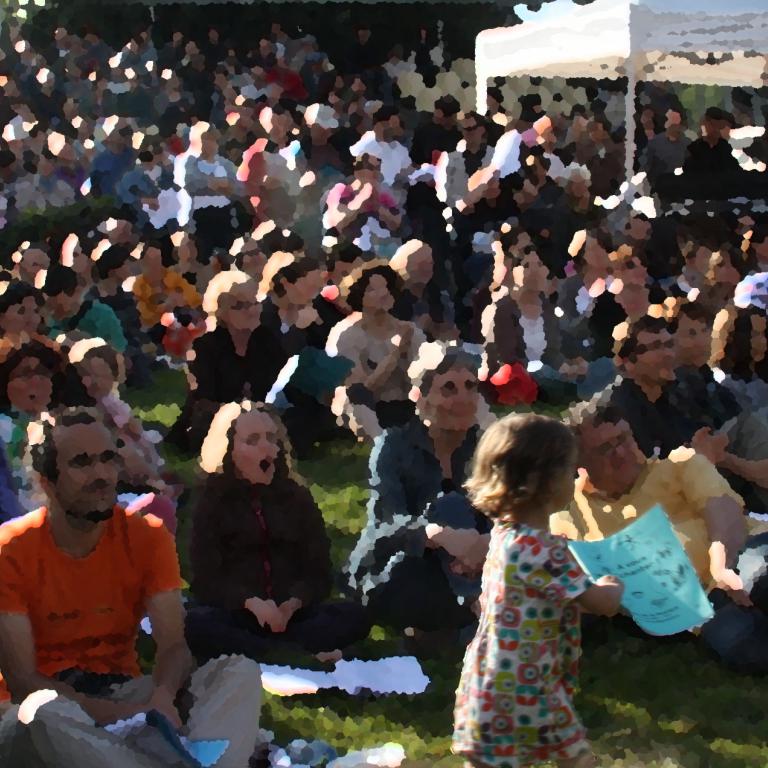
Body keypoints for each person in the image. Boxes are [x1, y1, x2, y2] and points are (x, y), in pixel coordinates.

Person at [0, 407, 263, 768]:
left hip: (124, 693)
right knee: (42, 712)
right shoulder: (10, 550)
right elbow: (23, 682)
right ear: (46, 480)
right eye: (82, 463)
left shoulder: (146, 537)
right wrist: (126, 714)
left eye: (108, 459)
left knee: (236, 672)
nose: (102, 474)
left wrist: (162, 697)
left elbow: (174, 646)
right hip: (45, 715)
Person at [453, 413, 624, 768]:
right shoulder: (549, 552)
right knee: (576, 759)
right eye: (568, 470)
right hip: (529, 688)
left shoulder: (505, 535)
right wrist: (613, 584)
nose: (576, 477)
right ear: (543, 481)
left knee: (493, 759)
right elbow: (600, 604)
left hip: (492, 678)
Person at [553, 399, 768, 674]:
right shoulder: (571, 515)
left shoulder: (679, 464)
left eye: (623, 438)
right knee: (739, 644)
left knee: (761, 577)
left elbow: (723, 512)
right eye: (605, 449)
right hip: (698, 604)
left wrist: (722, 566)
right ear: (579, 463)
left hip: (741, 557)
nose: (622, 452)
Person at [186, 401, 371, 664]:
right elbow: (206, 577)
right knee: (197, 624)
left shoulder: (297, 497)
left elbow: (318, 571)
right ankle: (290, 654)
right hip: (239, 614)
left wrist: (292, 603)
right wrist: (251, 603)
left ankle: (273, 653)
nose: (267, 448)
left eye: (271, 439)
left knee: (353, 615)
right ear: (228, 451)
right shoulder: (211, 502)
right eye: (252, 441)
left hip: (293, 616)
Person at [343, 343, 493, 641]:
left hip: (477, 562)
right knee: (410, 571)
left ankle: (452, 626)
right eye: (448, 388)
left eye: (470, 387)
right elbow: (387, 527)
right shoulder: (393, 447)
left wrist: (483, 545)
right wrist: (437, 535)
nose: (462, 398)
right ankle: (472, 617)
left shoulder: (487, 448)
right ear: (421, 397)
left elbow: (508, 513)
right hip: (404, 561)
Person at [327, 262, 426, 442]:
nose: (382, 294)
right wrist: (396, 353)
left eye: (386, 288)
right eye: (373, 290)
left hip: (405, 405)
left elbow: (424, 377)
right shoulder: (347, 335)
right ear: (359, 296)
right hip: (371, 408)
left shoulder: (409, 330)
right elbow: (362, 389)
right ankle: (382, 445)